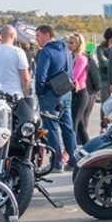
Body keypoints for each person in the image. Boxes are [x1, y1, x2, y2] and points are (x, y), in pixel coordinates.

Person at [35, 25, 77, 171]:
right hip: (66, 91)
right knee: (67, 127)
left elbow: (41, 76)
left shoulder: (46, 52)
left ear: (47, 35)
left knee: (51, 128)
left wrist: (39, 92)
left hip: (50, 94)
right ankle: (74, 160)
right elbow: (70, 72)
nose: (36, 39)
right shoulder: (66, 50)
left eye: (38, 36)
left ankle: (56, 162)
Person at [0, 24, 30, 97]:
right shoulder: (18, 52)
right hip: (15, 95)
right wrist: (26, 95)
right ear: (12, 35)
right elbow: (25, 78)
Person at [67, 33, 93, 145]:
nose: (69, 45)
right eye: (68, 42)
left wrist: (73, 79)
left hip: (80, 94)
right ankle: (89, 148)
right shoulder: (69, 57)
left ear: (78, 45)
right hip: (73, 92)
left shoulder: (81, 59)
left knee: (73, 124)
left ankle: (67, 152)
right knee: (81, 126)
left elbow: (73, 76)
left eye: (72, 43)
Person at [96, 27, 112, 108]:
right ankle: (104, 120)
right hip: (105, 79)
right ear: (110, 37)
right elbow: (102, 61)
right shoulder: (100, 48)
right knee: (105, 103)